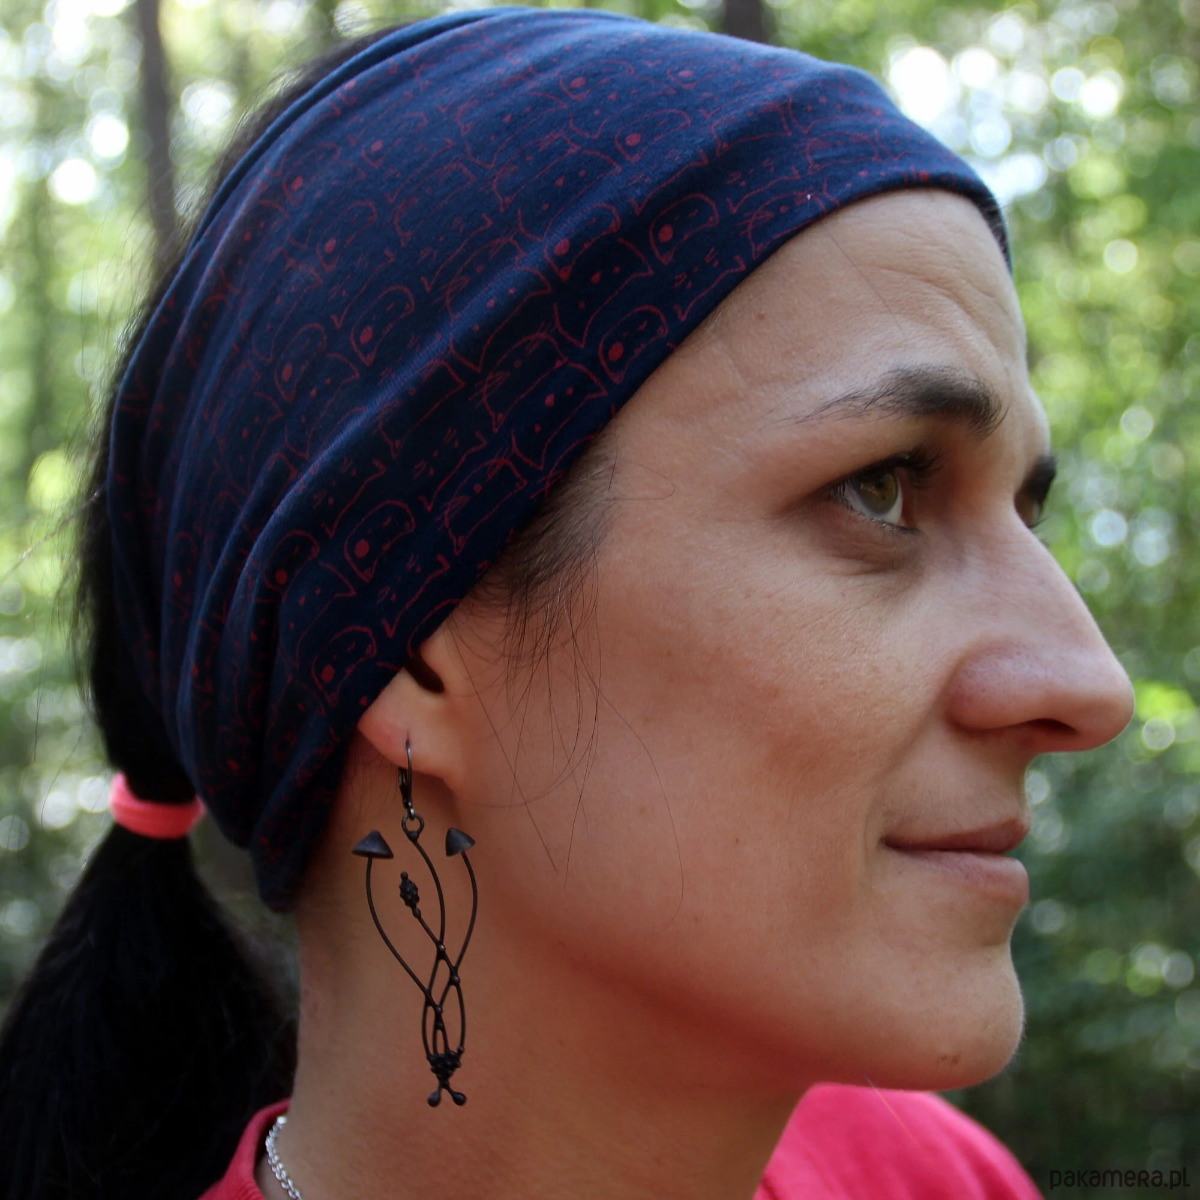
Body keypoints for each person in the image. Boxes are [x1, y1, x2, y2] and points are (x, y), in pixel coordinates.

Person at [0, 7, 1135, 1200]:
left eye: (1027, 512)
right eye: (880, 489)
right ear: (413, 651)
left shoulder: (925, 1176)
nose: (1087, 683)